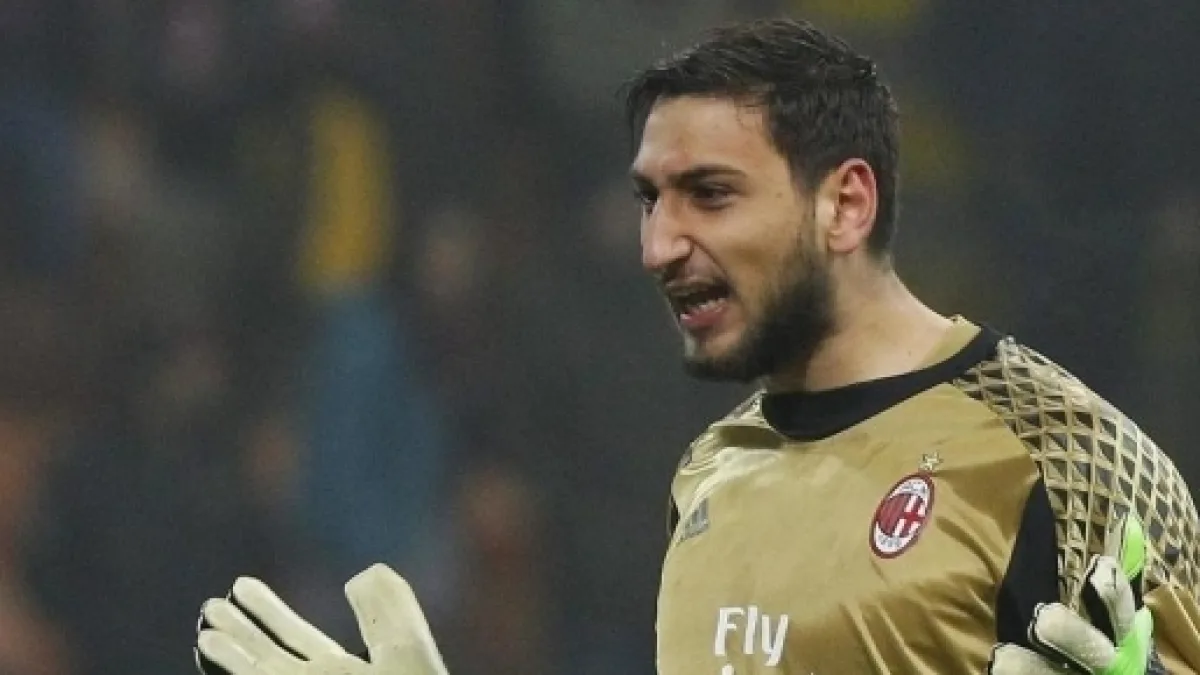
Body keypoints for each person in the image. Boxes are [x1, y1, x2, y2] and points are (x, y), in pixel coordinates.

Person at [193, 18, 1200, 674]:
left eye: (710, 195)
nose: (659, 246)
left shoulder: (1071, 460)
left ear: (845, 204)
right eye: (651, 201)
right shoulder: (713, 474)